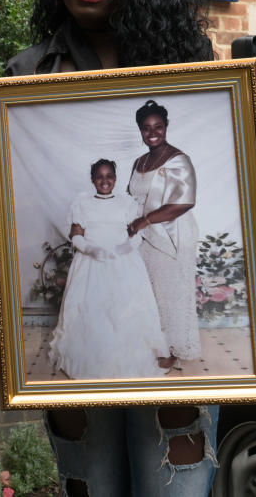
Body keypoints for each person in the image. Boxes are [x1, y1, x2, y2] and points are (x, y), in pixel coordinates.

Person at [0, 0, 256, 497]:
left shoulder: (193, 69)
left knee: (175, 473)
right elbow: (11, 220)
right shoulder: (26, 73)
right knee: (93, 478)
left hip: (156, 260)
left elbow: (230, 176)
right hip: (79, 313)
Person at [47, 159, 165, 380]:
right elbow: (76, 235)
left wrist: (124, 248)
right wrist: (91, 249)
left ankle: (126, 358)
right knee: (93, 310)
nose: (105, 181)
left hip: (123, 262)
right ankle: (92, 358)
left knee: (123, 310)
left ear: (116, 179)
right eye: (100, 176)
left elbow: (136, 234)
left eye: (109, 176)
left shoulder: (127, 203)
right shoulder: (82, 203)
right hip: (91, 263)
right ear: (93, 180)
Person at [125, 100, 201, 372]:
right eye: (146, 128)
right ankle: (152, 344)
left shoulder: (179, 160)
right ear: (140, 131)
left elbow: (184, 203)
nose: (152, 132)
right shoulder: (139, 161)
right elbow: (129, 198)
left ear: (166, 127)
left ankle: (172, 348)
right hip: (142, 238)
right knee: (148, 294)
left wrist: (144, 220)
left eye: (158, 127)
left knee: (170, 293)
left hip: (171, 236)